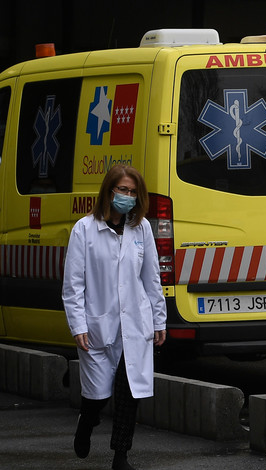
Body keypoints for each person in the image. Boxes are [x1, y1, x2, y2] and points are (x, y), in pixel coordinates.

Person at [62, 164, 167, 470]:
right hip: (98, 324)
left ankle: (121, 456)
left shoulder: (141, 229)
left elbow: (151, 278)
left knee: (128, 393)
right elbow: (73, 285)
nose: (128, 196)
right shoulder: (84, 229)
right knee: (97, 395)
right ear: (109, 191)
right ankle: (87, 420)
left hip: (134, 326)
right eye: (123, 189)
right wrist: (78, 325)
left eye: (133, 192)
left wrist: (159, 319)